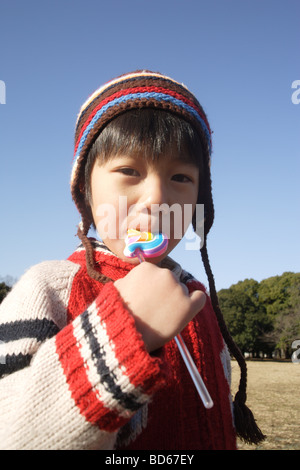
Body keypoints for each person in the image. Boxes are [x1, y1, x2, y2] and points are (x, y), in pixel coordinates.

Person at [0, 70, 264, 450]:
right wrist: (123, 334)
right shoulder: (51, 290)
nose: (157, 198)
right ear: (86, 191)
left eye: (180, 177)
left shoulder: (198, 299)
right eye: (128, 171)